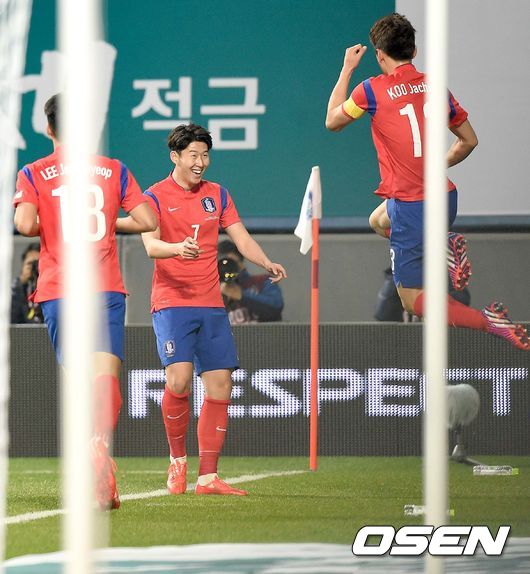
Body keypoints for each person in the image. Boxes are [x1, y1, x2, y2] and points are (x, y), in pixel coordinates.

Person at [325, 13, 529, 350]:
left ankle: (488, 320)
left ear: (379, 55)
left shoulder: (370, 90)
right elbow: (469, 141)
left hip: (412, 206)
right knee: (377, 220)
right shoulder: (435, 85)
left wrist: (347, 68)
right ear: (414, 51)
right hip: (444, 197)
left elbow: (332, 121)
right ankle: (440, 244)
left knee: (411, 301)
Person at [121, 123, 286, 496]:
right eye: (193, 155)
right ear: (175, 157)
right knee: (178, 380)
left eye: (205, 155)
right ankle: (177, 461)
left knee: (221, 385)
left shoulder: (218, 194)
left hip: (211, 304)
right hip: (172, 302)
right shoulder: (153, 197)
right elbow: (151, 246)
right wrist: (178, 248)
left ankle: (208, 477)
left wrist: (265, 262)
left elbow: (240, 237)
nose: (200, 162)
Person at [13, 94, 158, 510]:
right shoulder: (113, 169)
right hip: (104, 287)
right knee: (104, 377)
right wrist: (109, 219)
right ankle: (99, 449)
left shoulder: (34, 172)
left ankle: (93, 464)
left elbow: (24, 224)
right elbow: (148, 220)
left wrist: (54, 221)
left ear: (49, 128)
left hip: (60, 289)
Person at [218, 239, 284, 324]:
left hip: (264, 332)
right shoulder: (212, 293)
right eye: (221, 266)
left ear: (241, 264)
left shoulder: (262, 281)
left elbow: (276, 306)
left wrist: (241, 295)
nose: (226, 269)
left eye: (231, 264)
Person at [11, 242, 42, 324]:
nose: (34, 268)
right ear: (23, 265)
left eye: (37, 263)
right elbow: (12, 320)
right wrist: (21, 283)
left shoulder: (52, 290)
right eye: (30, 263)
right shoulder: (15, 289)